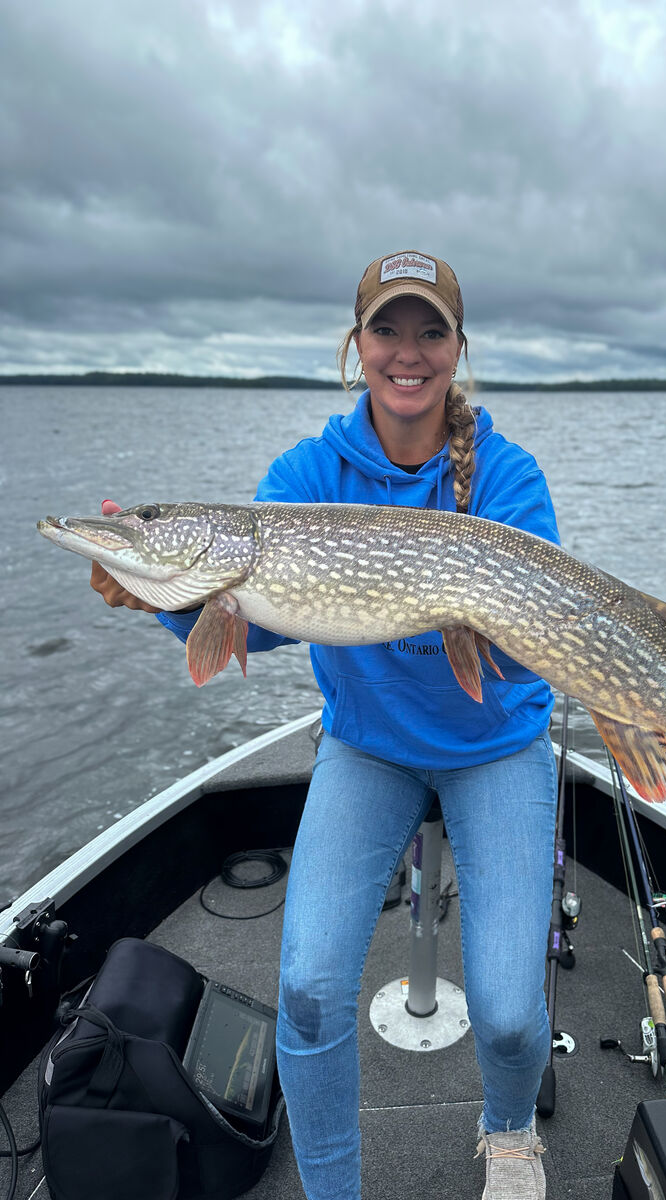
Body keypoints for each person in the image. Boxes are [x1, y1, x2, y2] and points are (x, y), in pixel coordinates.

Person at [91, 250, 561, 1200]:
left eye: (430, 331)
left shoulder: (507, 476)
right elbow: (245, 625)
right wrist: (161, 597)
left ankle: (509, 1136)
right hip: (371, 746)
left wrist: (481, 619)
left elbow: (528, 646)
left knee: (511, 1016)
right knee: (306, 989)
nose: (408, 352)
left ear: (458, 350)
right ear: (356, 347)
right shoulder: (303, 477)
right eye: (388, 328)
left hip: (497, 746)